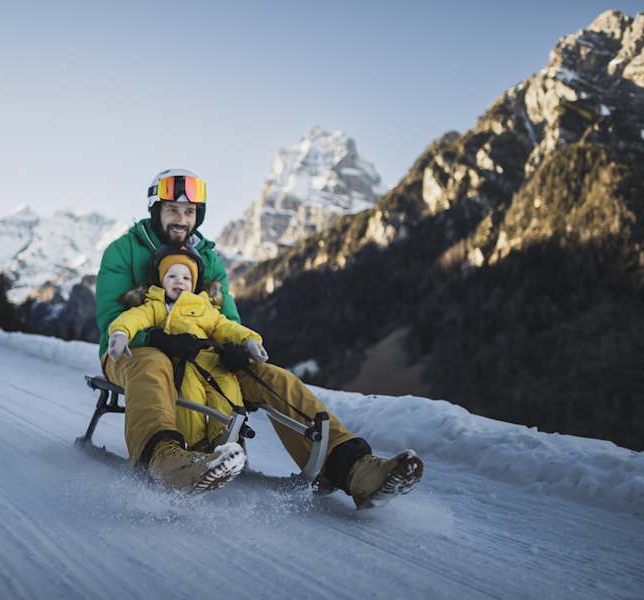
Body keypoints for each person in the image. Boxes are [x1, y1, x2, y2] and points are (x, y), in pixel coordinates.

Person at [96, 168, 423, 506]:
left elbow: (228, 320)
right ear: (156, 211)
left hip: (200, 354)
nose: (181, 219)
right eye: (173, 210)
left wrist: (235, 348)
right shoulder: (123, 252)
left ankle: (353, 467)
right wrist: (155, 338)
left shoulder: (207, 260)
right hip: (129, 352)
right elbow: (111, 320)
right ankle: (164, 460)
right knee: (153, 363)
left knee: (272, 377)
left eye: (189, 212)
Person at [107, 243, 265, 455]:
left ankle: (225, 441)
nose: (179, 281)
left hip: (213, 362)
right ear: (161, 280)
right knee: (190, 399)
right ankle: (194, 446)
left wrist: (249, 341)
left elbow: (225, 326)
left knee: (228, 394)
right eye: (172, 276)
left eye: (186, 278)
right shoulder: (156, 305)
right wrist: (120, 332)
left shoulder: (204, 307)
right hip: (184, 364)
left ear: (194, 283)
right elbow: (134, 318)